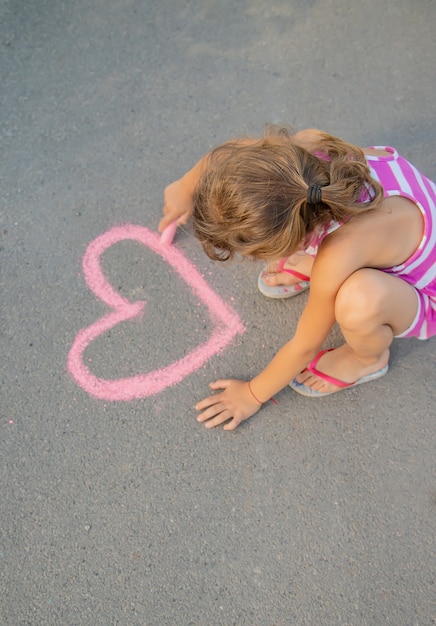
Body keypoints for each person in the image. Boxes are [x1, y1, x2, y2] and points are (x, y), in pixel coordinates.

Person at [159, 126, 436, 430]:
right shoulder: (302, 152)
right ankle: (310, 262)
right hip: (393, 226)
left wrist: (252, 394)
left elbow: (304, 346)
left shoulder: (340, 253)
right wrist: (184, 187)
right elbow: (231, 151)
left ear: (294, 238)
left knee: (359, 300)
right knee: (330, 263)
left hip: (423, 289)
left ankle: (367, 359)